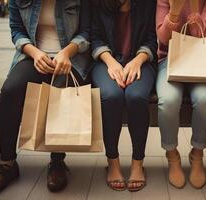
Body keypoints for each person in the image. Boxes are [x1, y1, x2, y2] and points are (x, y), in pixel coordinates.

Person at [0, 0, 91, 194]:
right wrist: (35, 53)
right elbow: (17, 30)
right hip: (33, 57)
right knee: (10, 90)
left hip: (70, 57)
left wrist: (66, 52)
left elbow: (87, 33)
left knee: (61, 87)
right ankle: (7, 163)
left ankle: (57, 161)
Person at [91, 0, 157, 192]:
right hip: (106, 61)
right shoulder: (99, 4)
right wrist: (110, 62)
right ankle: (113, 162)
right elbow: (94, 37)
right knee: (112, 97)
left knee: (136, 97)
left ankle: (138, 163)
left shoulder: (148, 3)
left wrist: (138, 60)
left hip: (141, 61)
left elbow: (153, 38)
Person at [156, 0, 206, 189]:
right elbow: (163, 39)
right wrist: (174, 13)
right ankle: (172, 155)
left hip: (200, 58)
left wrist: (192, 7)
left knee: (205, 99)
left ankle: (197, 154)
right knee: (168, 101)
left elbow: (202, 34)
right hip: (169, 59)